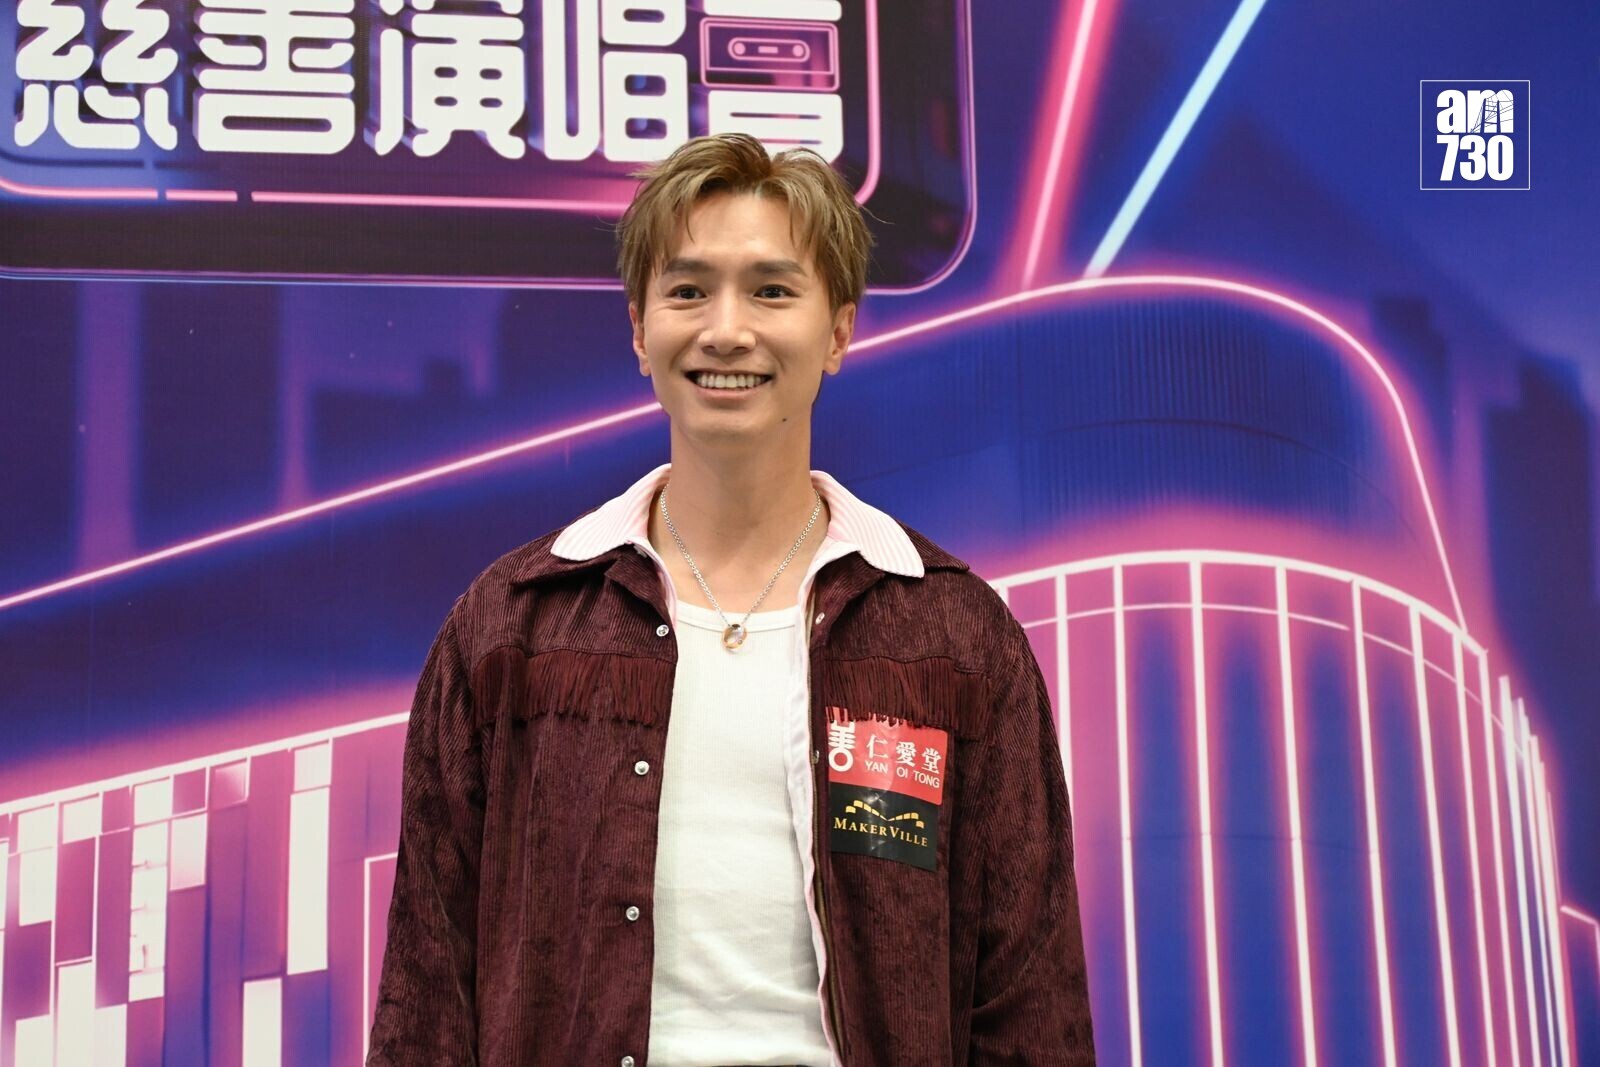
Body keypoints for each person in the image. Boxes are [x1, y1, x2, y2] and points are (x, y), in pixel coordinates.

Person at [366, 132, 1096, 1066]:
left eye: (772, 290)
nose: (726, 329)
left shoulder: (954, 636)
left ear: (839, 331)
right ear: (639, 330)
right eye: (687, 290)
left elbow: (1029, 999)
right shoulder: (512, 627)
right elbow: (427, 992)